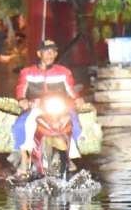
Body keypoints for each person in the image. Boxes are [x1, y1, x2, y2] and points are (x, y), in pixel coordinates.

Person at [12, 40, 82, 177]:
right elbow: (21, 89)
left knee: (76, 126)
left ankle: (69, 156)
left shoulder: (64, 72)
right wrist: (22, 100)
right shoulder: (27, 72)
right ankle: (25, 161)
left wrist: (77, 98)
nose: (50, 54)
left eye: (53, 52)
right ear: (39, 53)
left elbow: (71, 89)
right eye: (47, 51)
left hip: (60, 107)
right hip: (37, 107)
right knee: (21, 126)